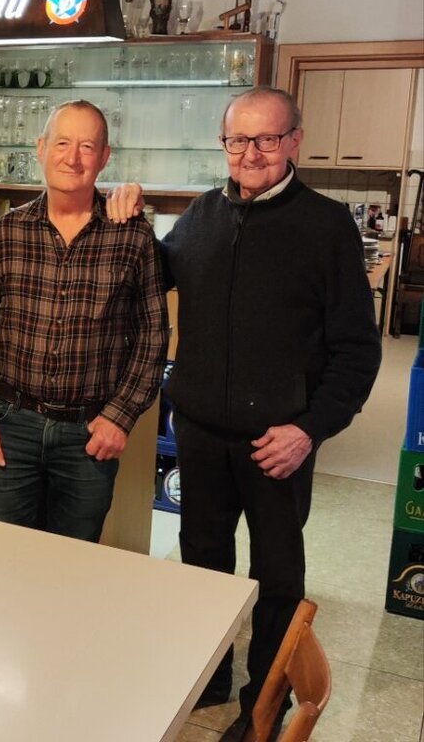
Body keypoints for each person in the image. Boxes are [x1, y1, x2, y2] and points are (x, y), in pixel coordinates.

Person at [117, 87, 381, 742]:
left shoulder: (326, 226)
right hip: (201, 430)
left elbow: (357, 350)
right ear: (223, 143)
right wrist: (130, 226)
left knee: (276, 578)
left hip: (278, 440)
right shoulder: (204, 214)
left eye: (267, 139)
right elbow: (159, 273)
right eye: (239, 139)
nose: (252, 153)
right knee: (201, 559)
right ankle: (202, 672)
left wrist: (309, 429)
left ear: (295, 140)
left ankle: (263, 703)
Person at [0, 101, 168, 541]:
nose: (72, 158)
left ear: (104, 157)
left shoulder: (132, 235)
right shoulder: (6, 233)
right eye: (62, 143)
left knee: (73, 563)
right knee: (2, 554)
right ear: (41, 148)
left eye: (87, 146)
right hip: (10, 426)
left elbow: (152, 336)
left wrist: (121, 415)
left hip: (89, 433)